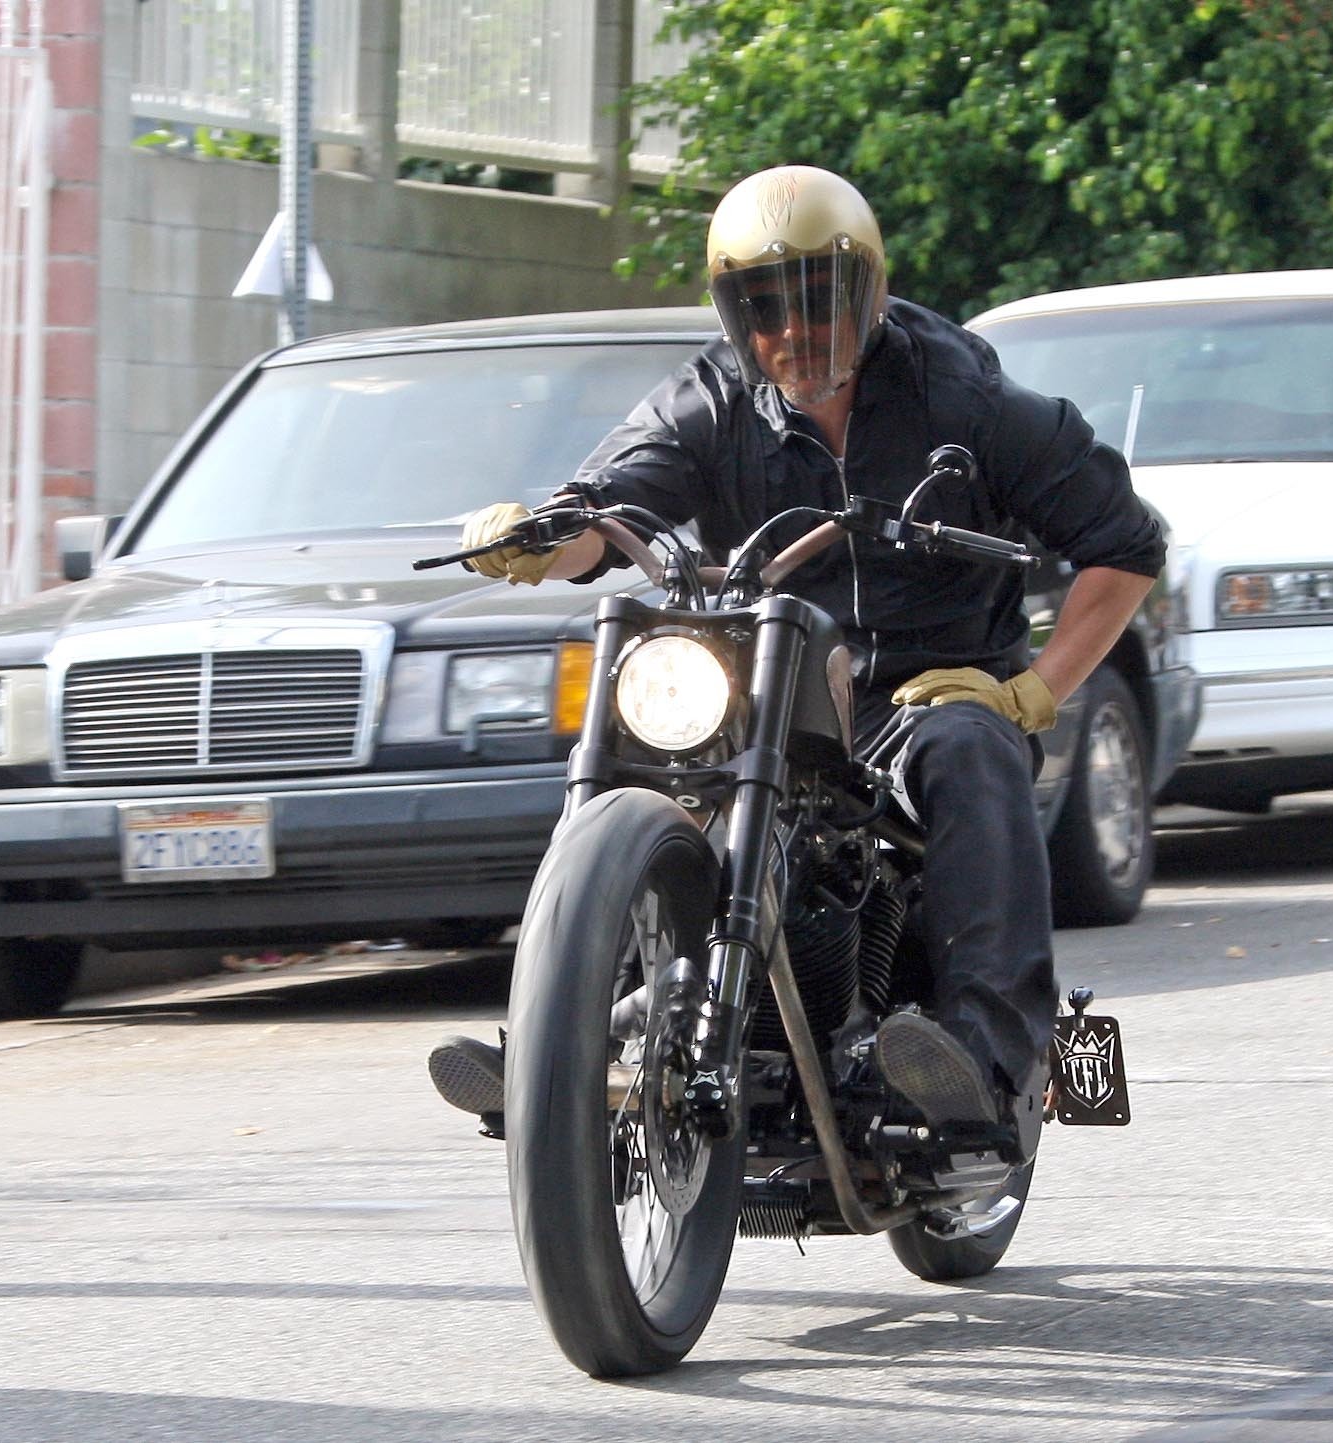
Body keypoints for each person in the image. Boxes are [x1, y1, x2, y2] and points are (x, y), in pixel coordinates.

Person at [429, 164, 1163, 1151]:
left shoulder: (965, 395)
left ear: (865, 293)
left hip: (927, 685)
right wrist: (533, 537)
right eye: (762, 309)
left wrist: (1031, 690)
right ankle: (572, 1046)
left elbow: (1126, 542)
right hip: (773, 693)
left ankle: (988, 1072)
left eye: (816, 303)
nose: (791, 333)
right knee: (653, 764)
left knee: (968, 746)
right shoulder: (710, 398)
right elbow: (607, 509)